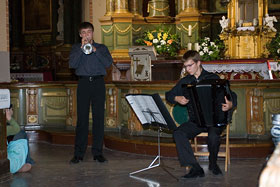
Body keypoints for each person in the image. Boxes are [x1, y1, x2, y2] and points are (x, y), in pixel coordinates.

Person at [165, 50, 237, 179]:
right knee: (178, 133)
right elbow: (168, 95)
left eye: (190, 65)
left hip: (214, 120)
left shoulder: (213, 78)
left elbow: (232, 95)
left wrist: (230, 104)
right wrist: (177, 98)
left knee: (214, 136)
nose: (187, 69)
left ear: (198, 63)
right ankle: (195, 167)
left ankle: (213, 163)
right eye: (185, 66)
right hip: (196, 121)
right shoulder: (185, 81)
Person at [69, 22, 113, 164]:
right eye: (83, 32)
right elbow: (73, 65)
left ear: (93, 33)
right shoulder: (76, 48)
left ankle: (98, 153)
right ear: (80, 35)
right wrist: (82, 49)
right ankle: (78, 154)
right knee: (82, 120)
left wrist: (95, 50)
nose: (86, 35)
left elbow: (108, 64)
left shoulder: (101, 48)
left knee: (98, 119)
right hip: (83, 84)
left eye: (88, 32)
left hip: (98, 83)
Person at [6, 105, 34, 173]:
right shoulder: (3, 128)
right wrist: (9, 118)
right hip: (9, 165)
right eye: (12, 109)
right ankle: (27, 161)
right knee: (22, 133)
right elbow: (16, 129)